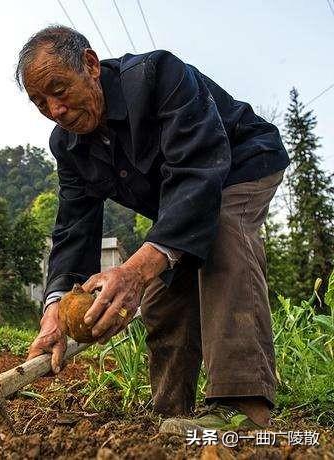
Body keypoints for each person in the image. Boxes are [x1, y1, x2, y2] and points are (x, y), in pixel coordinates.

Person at [17, 25, 289, 435]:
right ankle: (169, 412)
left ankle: (241, 406)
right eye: (40, 102)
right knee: (161, 293)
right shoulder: (68, 145)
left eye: (59, 90)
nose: (54, 110)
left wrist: (136, 268)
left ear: (90, 65)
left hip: (240, 161)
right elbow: (74, 228)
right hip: (182, 199)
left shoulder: (158, 75)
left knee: (223, 234)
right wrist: (54, 310)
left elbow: (199, 172)